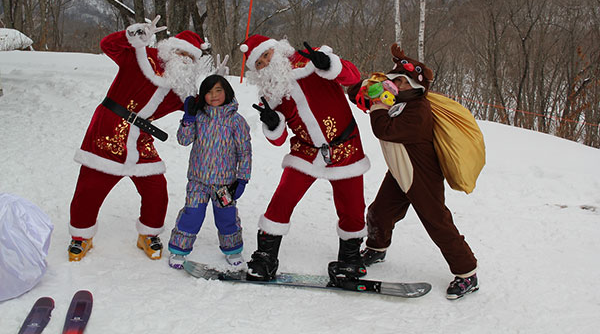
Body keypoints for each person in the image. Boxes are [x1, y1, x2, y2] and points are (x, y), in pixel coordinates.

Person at [68, 16, 224, 262]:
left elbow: (201, 108)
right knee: (90, 187)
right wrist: (132, 36)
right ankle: (81, 236)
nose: (184, 60)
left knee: (156, 188)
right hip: (108, 131)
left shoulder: (179, 87)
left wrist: (220, 90)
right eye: (181, 53)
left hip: (140, 140)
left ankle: (148, 234)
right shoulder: (140, 57)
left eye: (190, 58)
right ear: (170, 49)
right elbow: (108, 45)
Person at [347, 44, 478, 300]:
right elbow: (358, 93)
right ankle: (377, 247)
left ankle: (467, 273)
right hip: (400, 171)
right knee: (379, 211)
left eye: (402, 83)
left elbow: (384, 129)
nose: (395, 86)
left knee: (437, 222)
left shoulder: (418, 110)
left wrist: (376, 105)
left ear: (416, 88)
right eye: (394, 81)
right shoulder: (397, 102)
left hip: (421, 176)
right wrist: (348, 80)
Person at [240, 34, 370, 281]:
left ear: (277, 50)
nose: (266, 63)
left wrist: (330, 64)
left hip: (345, 146)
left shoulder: (313, 61)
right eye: (259, 63)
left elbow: (353, 77)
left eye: (267, 55)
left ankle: (350, 260)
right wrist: (272, 123)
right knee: (282, 200)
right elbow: (277, 139)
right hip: (305, 151)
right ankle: (266, 257)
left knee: (352, 207)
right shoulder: (269, 93)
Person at [167, 74, 251, 269]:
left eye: (218, 90)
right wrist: (187, 120)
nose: (213, 95)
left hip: (225, 184)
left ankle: (233, 250)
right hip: (198, 181)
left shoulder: (236, 122)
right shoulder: (199, 117)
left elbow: (245, 152)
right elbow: (183, 140)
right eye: (208, 92)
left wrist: (242, 179)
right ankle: (179, 250)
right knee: (192, 214)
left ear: (227, 92)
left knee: (227, 217)